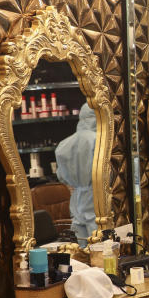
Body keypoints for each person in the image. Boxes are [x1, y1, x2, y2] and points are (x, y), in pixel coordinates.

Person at [55, 103, 98, 241]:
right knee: (101, 247)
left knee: (82, 248)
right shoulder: (99, 140)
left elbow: (62, 177)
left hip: (76, 199)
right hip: (96, 198)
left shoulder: (64, 144)